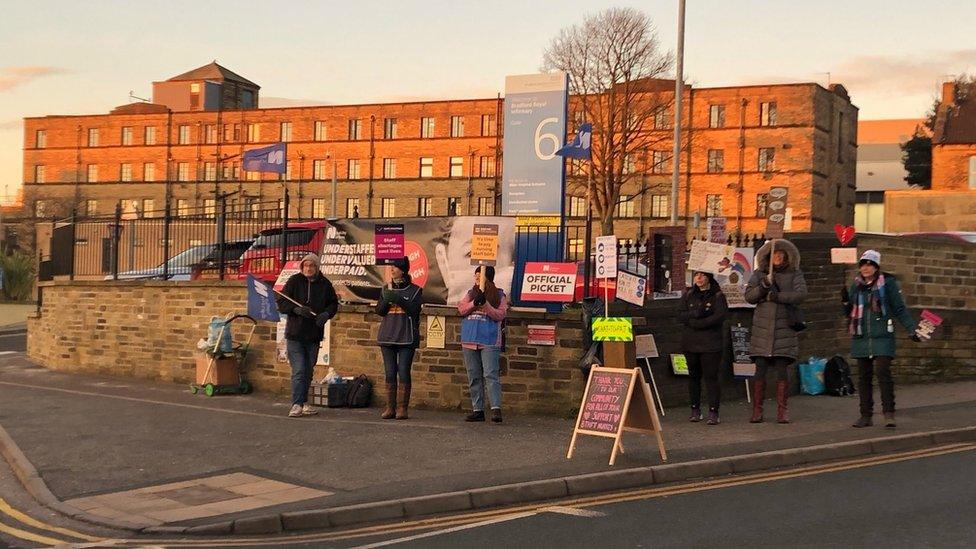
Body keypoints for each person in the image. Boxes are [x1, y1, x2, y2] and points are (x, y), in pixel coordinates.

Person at [842, 250, 919, 429]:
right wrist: (845, 302)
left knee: (883, 372)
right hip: (861, 336)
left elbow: (899, 309)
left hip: (883, 334)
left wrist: (912, 329)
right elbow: (849, 314)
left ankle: (889, 413)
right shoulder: (856, 285)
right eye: (863, 264)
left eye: (870, 264)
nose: (866, 268)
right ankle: (865, 415)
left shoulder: (888, 284)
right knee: (863, 377)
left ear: (876, 267)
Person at [744, 239, 807, 424]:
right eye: (775, 254)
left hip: (784, 330)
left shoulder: (795, 273)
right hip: (762, 330)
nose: (778, 257)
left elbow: (801, 294)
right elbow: (749, 296)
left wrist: (778, 296)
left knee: (782, 370)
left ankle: (782, 410)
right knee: (760, 370)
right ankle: (757, 410)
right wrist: (764, 285)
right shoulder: (759, 274)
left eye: (781, 254)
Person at [276, 253, 339, 418]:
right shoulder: (294, 281)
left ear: (317, 267)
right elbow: (282, 302)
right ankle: (296, 403)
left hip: (313, 334)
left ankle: (304, 402)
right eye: (306, 266)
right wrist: (296, 309)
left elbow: (333, 304)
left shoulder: (325, 284)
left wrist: (326, 314)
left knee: (309, 370)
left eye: (312, 266)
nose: (309, 269)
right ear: (302, 267)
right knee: (299, 369)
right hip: (295, 334)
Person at [458, 265, 509, 423]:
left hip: (489, 339)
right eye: (476, 275)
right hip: (470, 339)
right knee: (474, 376)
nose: (477, 278)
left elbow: (500, 314)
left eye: (480, 275)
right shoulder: (471, 293)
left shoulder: (499, 295)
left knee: (491, 375)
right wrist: (475, 303)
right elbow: (461, 309)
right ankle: (477, 409)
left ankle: (495, 408)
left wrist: (485, 304)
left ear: (488, 277)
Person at [677, 270, 729, 425]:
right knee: (693, 377)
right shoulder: (688, 294)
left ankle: (713, 411)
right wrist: (695, 315)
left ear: (709, 278)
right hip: (690, 342)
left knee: (711, 377)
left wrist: (701, 322)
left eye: (702, 275)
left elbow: (720, 316)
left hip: (711, 343)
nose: (698, 278)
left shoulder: (718, 296)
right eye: (696, 275)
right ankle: (695, 409)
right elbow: (679, 314)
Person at [375, 256, 423, 420]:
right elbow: (380, 311)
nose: (392, 269)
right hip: (387, 336)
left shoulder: (415, 290)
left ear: (403, 270)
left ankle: (402, 408)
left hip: (406, 336)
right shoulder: (385, 289)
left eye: (395, 267)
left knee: (403, 371)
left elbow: (414, 310)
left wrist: (398, 299)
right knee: (389, 372)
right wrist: (386, 301)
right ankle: (390, 407)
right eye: (391, 267)